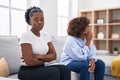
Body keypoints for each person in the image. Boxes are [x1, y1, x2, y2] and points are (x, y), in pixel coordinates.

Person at [18, 6, 71, 80]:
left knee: (65, 69)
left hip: (41, 68)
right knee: (53, 72)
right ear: (30, 21)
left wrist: (39, 56)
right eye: (36, 20)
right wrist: (47, 58)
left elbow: (54, 56)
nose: (40, 22)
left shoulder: (45, 35)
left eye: (42, 19)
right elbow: (29, 62)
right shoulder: (25, 35)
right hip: (27, 70)